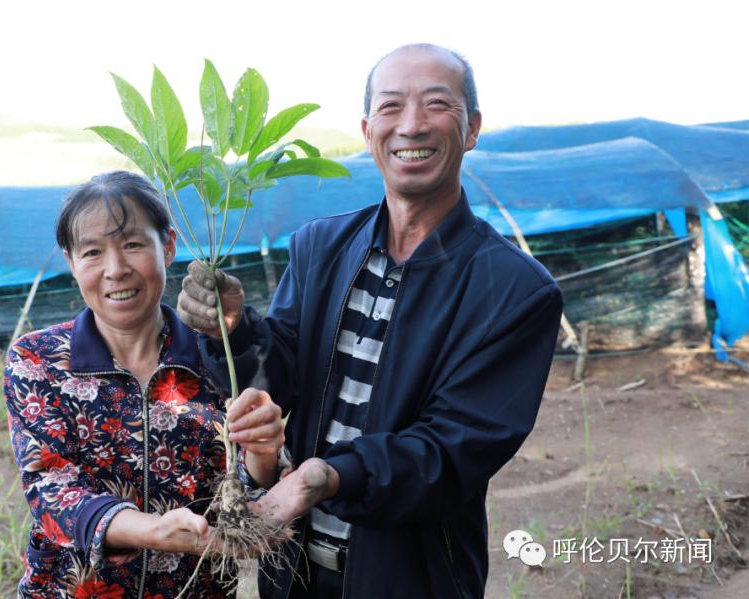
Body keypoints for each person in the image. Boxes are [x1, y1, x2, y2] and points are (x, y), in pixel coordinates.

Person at [178, 44, 564, 597]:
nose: (411, 125)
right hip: (294, 570)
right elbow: (280, 375)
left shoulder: (516, 291)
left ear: (472, 127)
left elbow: (453, 449)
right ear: (366, 129)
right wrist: (234, 330)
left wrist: (329, 476)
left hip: (411, 576)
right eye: (390, 107)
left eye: (437, 104)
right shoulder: (320, 245)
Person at [4, 171, 285, 598]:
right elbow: (51, 493)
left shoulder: (216, 356)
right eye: (93, 252)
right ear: (71, 262)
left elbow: (245, 488)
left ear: (169, 244)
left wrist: (264, 454)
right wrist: (154, 530)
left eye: (133, 245)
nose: (116, 270)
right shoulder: (39, 360)